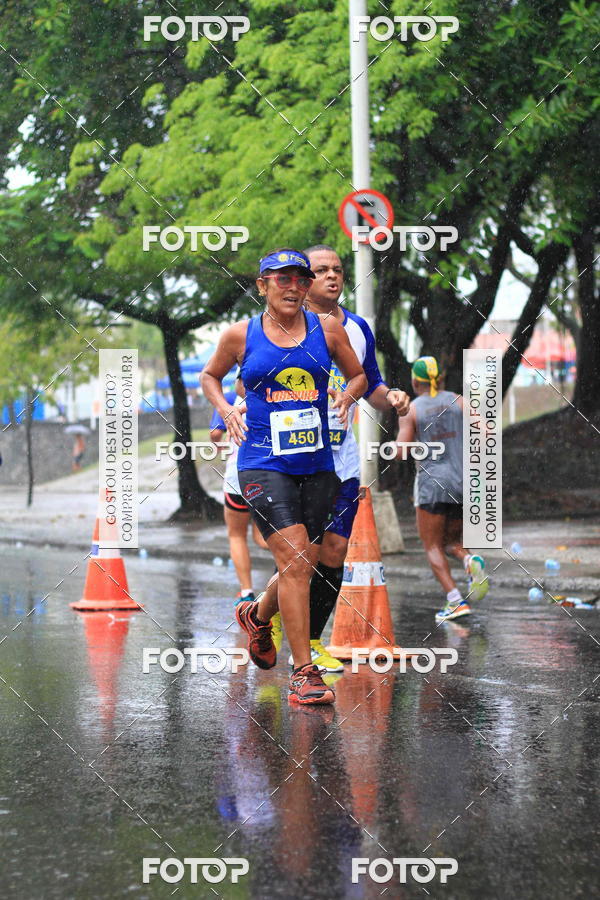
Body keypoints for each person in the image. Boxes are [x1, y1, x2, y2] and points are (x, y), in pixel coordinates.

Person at [201, 248, 367, 705]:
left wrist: (348, 396)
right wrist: (223, 412)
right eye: (282, 279)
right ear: (262, 286)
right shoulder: (241, 335)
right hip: (262, 463)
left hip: (317, 465)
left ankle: (257, 616)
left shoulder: (327, 330)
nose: (293, 286)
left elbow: (358, 376)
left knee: (303, 563)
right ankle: (305, 673)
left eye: (300, 278)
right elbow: (210, 377)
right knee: (295, 559)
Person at [298, 244, 411, 671]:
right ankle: (262, 615)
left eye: (338, 270)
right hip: (293, 460)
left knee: (336, 549)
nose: (332, 277)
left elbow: (371, 385)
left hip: (341, 460)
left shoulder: (358, 327)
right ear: (304, 279)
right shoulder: (285, 326)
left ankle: (310, 639)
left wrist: (393, 398)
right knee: (300, 554)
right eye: (321, 270)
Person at [395, 356, 488, 622]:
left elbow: (400, 453)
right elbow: (486, 433)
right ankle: (470, 561)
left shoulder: (412, 409)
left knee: (432, 546)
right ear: (441, 379)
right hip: (463, 483)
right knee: (453, 542)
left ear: (415, 381)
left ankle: (455, 601)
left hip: (432, 485)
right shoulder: (459, 401)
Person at [209, 371, 270, 605]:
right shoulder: (271, 398)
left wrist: (221, 446)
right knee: (264, 536)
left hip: (237, 478)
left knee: (236, 535)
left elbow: (215, 434)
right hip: (268, 477)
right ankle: (293, 568)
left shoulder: (227, 403)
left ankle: (246, 593)